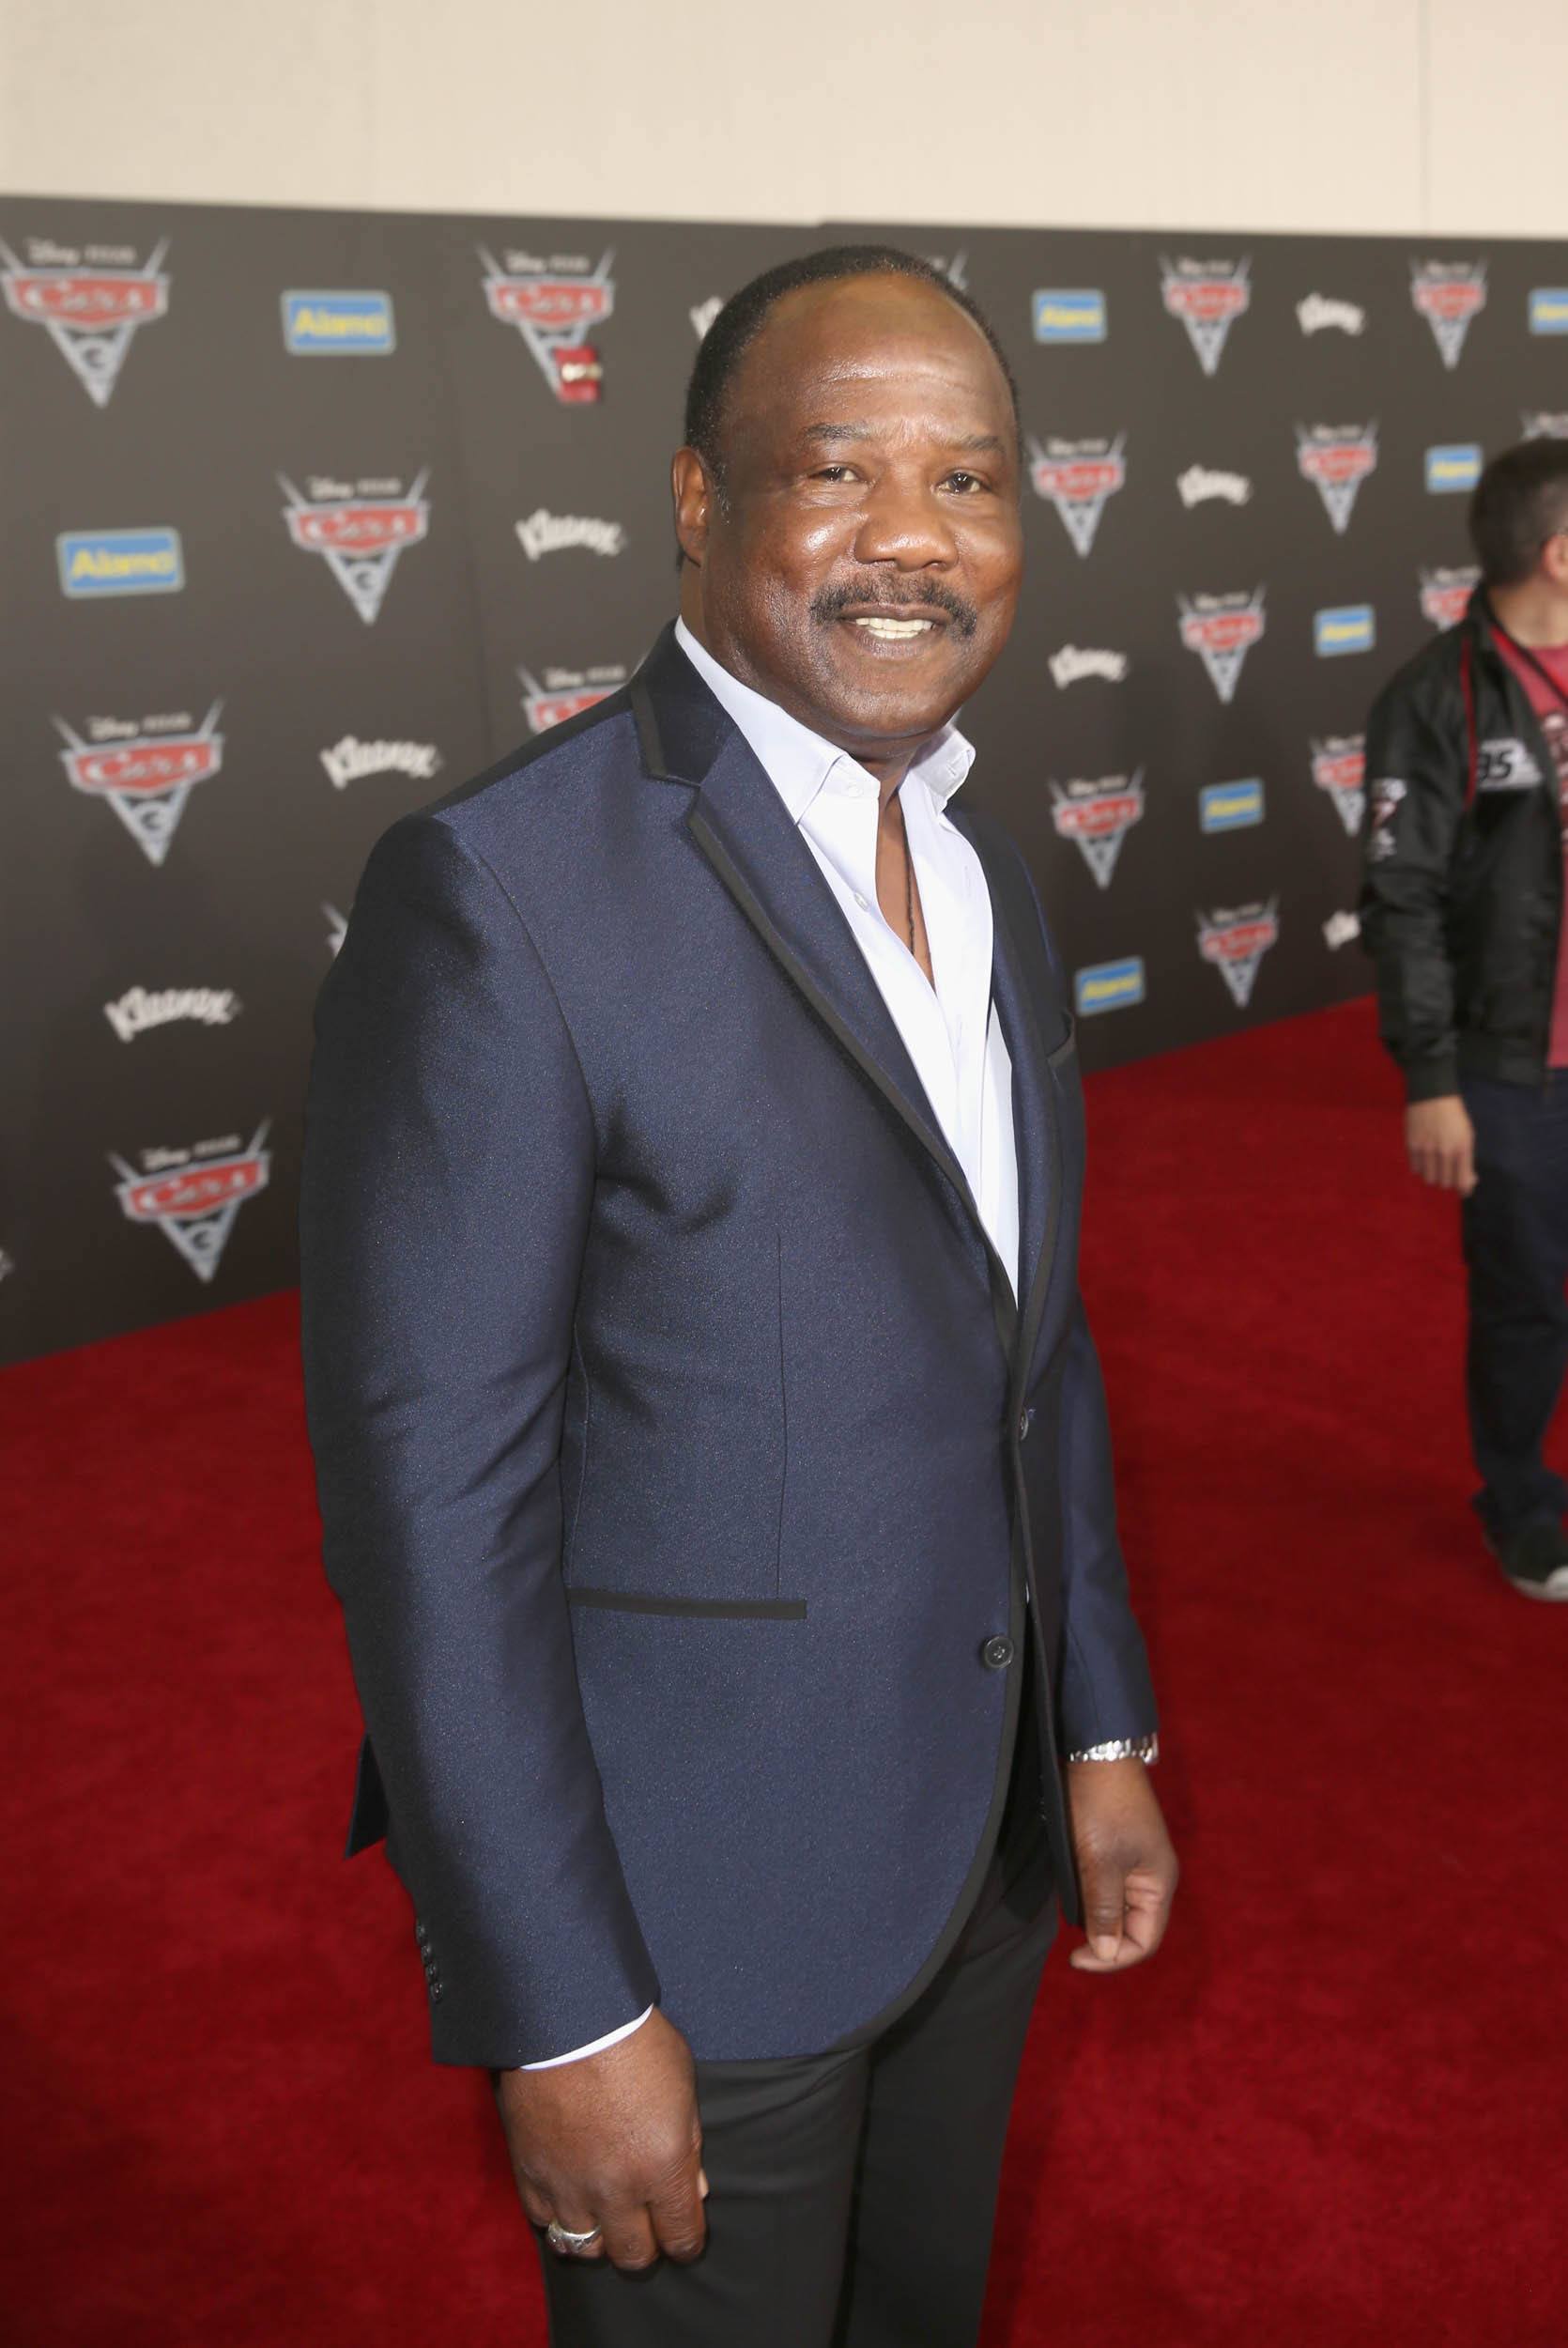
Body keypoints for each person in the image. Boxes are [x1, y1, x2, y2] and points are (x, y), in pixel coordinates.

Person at [300, 245, 1176, 2348]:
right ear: (699, 500)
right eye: (839, 470)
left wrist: (1095, 1718)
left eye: (970, 480)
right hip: (692, 1917)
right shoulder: (502, 894)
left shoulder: (984, 864)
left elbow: (1025, 1342)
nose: (914, 536)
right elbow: (435, 1502)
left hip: (974, 1846)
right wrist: (560, 2000)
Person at [1361, 437, 1568, 1601]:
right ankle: (1522, 1501)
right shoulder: (1431, 698)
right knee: (1524, 1300)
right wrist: (1432, 1079)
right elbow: (1399, 899)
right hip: (1510, 1071)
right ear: (1555, 554)